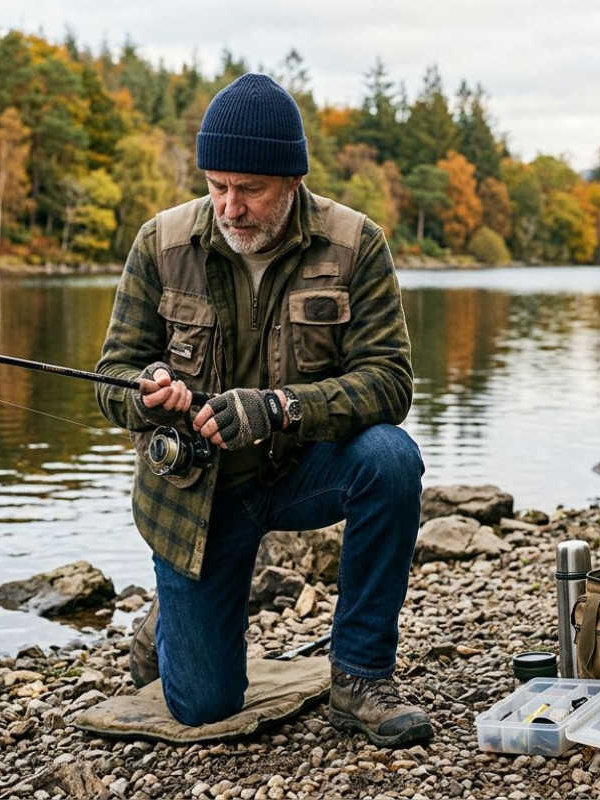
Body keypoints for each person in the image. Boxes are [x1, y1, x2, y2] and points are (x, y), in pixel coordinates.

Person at [95, 73, 430, 748]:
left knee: (392, 460)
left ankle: (360, 678)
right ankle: (165, 624)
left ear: (292, 181)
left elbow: (390, 382)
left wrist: (280, 408)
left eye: (249, 189)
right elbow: (111, 379)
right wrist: (147, 389)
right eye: (217, 185)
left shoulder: (355, 244)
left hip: (303, 471)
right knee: (204, 706)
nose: (230, 206)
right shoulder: (160, 243)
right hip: (198, 495)